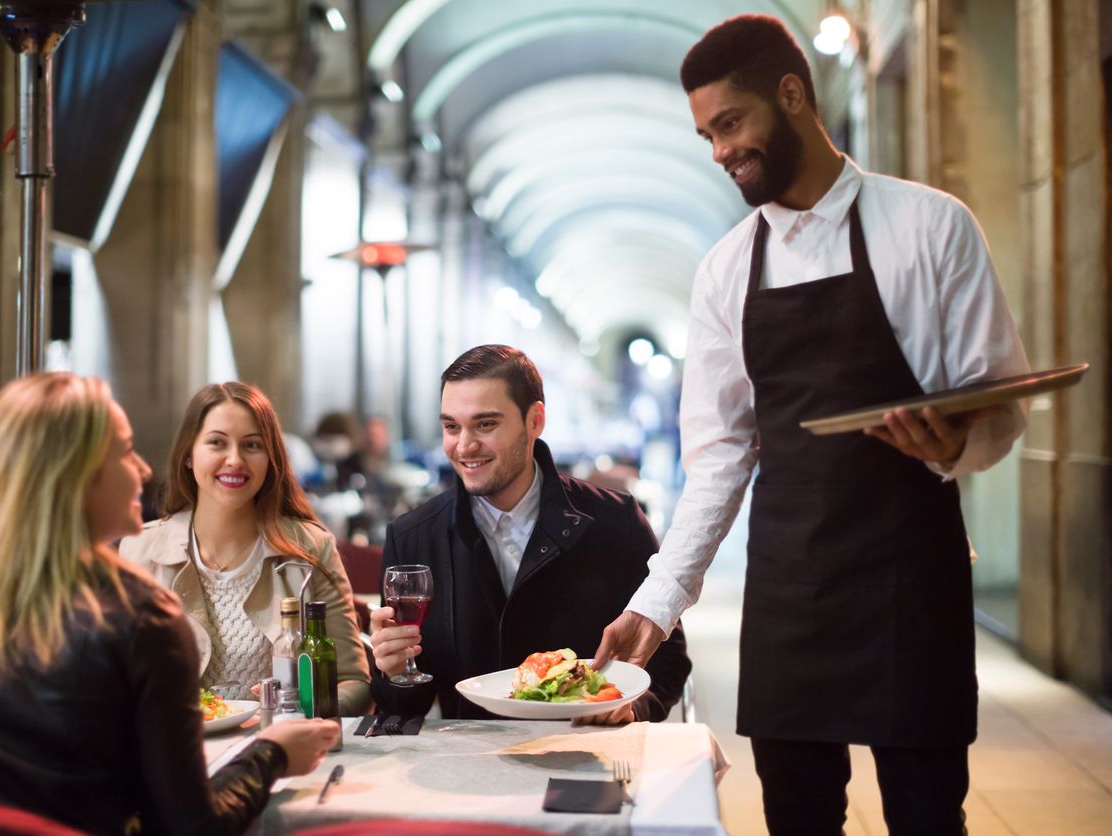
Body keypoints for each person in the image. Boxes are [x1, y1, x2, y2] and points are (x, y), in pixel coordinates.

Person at [592, 15, 1029, 834]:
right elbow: (719, 458)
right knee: (795, 816)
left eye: (731, 123)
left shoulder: (931, 227)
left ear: (792, 95)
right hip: (791, 588)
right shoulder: (726, 270)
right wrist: (659, 603)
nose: (719, 152)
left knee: (929, 814)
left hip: (914, 578)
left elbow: (1002, 401)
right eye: (706, 135)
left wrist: (958, 443)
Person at [0, 373, 339, 834]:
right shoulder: (143, 620)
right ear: (75, 477)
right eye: (126, 452)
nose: (146, 469)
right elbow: (191, 828)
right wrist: (270, 754)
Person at [370, 345, 691, 723]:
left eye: (486, 424)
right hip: (469, 767)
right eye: (451, 426)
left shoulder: (615, 522)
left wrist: (632, 707)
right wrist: (393, 673)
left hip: (587, 755)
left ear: (534, 421)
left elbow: (669, 662)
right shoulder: (413, 538)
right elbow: (407, 711)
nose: (464, 445)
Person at [120, 382, 371, 714]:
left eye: (252, 445)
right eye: (217, 443)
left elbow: (354, 683)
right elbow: (119, 686)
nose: (235, 460)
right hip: (179, 755)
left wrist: (293, 711)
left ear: (271, 459)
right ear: (188, 457)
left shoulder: (311, 548)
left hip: (285, 753)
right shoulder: (139, 550)